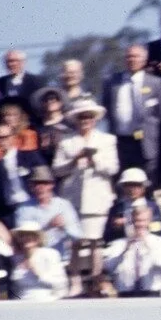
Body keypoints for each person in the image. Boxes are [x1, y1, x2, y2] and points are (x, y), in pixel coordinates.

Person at [51, 97, 119, 241]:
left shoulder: (107, 140)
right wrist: (74, 160)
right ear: (76, 119)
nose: (85, 120)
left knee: (96, 243)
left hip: (98, 200)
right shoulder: (65, 141)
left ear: (95, 119)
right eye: (81, 117)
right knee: (75, 244)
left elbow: (113, 168)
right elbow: (56, 170)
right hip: (72, 199)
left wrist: (94, 161)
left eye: (89, 117)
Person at [101, 44, 161, 181]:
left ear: (144, 60)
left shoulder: (156, 83)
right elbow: (106, 110)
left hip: (145, 142)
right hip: (121, 142)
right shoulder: (112, 82)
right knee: (122, 182)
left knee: (147, 183)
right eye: (128, 56)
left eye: (136, 56)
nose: (131, 59)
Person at [101, 203, 161, 297]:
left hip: (151, 292)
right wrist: (125, 249)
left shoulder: (159, 241)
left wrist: (147, 244)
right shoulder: (119, 244)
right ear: (131, 221)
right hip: (125, 293)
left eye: (143, 221)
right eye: (137, 221)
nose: (139, 224)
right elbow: (109, 268)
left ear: (149, 221)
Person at [105, 167, 161, 242]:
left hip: (148, 242)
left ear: (143, 187)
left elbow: (160, 228)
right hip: (124, 244)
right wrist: (115, 227)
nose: (132, 189)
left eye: (136, 185)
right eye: (128, 185)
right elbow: (107, 236)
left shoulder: (152, 206)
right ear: (122, 187)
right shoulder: (116, 209)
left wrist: (145, 224)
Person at [0, 49, 46, 113]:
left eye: (14, 61)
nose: (11, 64)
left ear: (23, 62)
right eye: (8, 61)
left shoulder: (35, 81)